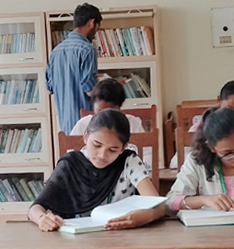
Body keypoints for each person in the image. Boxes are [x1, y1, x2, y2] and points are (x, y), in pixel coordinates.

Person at [29, 109, 164, 231]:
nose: (102, 155)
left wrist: (146, 215)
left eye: (113, 149)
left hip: (120, 238)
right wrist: (42, 219)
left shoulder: (129, 162)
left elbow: (160, 205)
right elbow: (35, 208)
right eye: (96, 145)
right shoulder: (70, 164)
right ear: (86, 137)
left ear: (123, 148)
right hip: (75, 241)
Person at [170, 80, 234, 168]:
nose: (233, 115)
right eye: (229, 108)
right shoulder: (204, 125)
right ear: (219, 100)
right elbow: (175, 162)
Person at [47, 3, 102, 133]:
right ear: (92, 22)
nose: (95, 34)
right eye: (98, 28)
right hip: (86, 124)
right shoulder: (87, 49)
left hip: (65, 125)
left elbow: (50, 88)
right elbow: (89, 89)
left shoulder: (56, 51)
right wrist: (111, 86)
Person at [69, 78, 146, 135]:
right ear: (93, 105)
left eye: (110, 112)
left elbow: (147, 153)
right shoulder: (83, 125)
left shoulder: (132, 123)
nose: (104, 116)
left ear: (119, 108)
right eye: (99, 111)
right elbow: (70, 152)